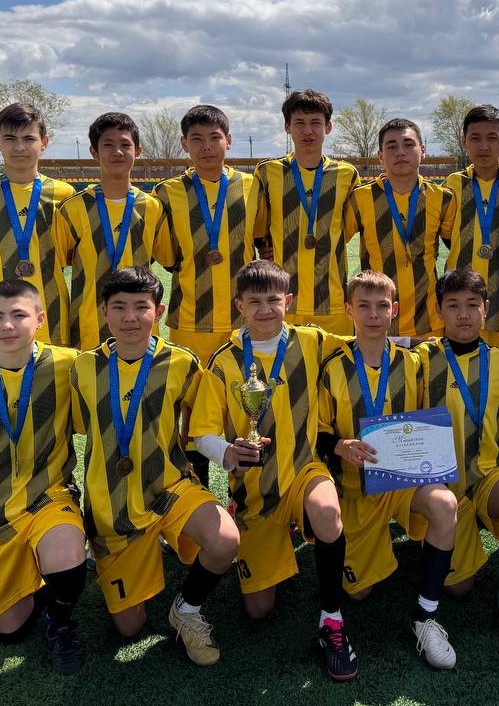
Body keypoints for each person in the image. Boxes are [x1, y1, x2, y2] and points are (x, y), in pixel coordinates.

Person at [189, 260, 359, 682]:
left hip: (304, 471)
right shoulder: (224, 361)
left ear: (289, 301)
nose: (265, 310)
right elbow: (201, 433)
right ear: (239, 306)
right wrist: (228, 451)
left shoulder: (312, 340)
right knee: (258, 610)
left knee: (328, 514)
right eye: (254, 302)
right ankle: (254, 525)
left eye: (273, 300)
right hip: (255, 490)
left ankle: (332, 621)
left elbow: (367, 340)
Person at [70, 267, 240, 665]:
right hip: (112, 506)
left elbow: (202, 424)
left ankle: (187, 609)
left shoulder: (182, 362)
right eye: (119, 307)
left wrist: (233, 450)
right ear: (104, 312)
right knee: (129, 627)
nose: (130, 317)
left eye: (141, 307)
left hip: (169, 488)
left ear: (159, 311)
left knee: (225, 540)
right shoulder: (80, 367)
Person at [317, 270, 461, 669]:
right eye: (363, 306)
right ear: (349, 310)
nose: (373, 315)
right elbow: (318, 432)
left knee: (445, 505)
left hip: (403, 482)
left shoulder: (413, 363)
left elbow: (428, 419)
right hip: (356, 489)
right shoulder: (333, 366)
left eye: (382, 306)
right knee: (359, 593)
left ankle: (426, 616)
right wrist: (340, 446)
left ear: (394, 310)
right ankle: (378, 550)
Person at [0, 281, 88, 672]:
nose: (8, 325)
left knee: (68, 556)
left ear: (39, 319)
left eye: (19, 315)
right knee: (9, 632)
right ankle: (39, 579)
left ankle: (60, 624)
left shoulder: (69, 363)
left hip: (49, 495)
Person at [415, 270, 499, 638]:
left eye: (473, 305)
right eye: (453, 306)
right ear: (439, 311)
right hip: (440, 481)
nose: (463, 314)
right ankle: (440, 529)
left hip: (489, 472)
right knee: (459, 588)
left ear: (486, 308)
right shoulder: (421, 359)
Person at [153, 103, 268, 487]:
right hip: (191, 322)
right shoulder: (168, 192)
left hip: (243, 322)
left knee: (247, 409)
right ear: (184, 144)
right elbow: (168, 257)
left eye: (214, 138)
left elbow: (262, 241)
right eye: (197, 139)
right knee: (190, 415)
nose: (206, 146)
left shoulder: (251, 186)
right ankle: (194, 496)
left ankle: (247, 502)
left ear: (228, 141)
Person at [0, 102, 75, 351]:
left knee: (51, 373)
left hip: (50, 309)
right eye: (10, 138)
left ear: (44, 142)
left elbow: (70, 257)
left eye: (29, 138)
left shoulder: (64, 195)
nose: (19, 147)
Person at [55, 112, 170, 350]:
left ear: (138, 151)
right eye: (108, 145)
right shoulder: (73, 208)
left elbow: (165, 257)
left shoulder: (153, 207)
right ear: (94, 152)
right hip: (88, 325)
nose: (117, 151)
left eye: (125, 145)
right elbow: (59, 262)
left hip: (140, 325)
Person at [256, 90, 360, 336]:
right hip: (283, 301)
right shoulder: (268, 172)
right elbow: (259, 226)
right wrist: (266, 247)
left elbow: (346, 230)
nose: (308, 131)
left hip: (333, 302)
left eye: (315, 123)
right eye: (299, 123)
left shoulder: (347, 174)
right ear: (287, 127)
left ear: (328, 126)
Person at [345, 118, 455, 344]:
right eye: (392, 146)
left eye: (408, 144)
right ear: (380, 156)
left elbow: (457, 248)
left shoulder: (443, 198)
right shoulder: (361, 198)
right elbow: (334, 244)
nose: (400, 152)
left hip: (428, 319)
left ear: (422, 150)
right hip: (375, 319)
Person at [442, 105, 499, 349]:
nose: (484, 146)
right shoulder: (453, 182)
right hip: (461, 295)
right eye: (475, 138)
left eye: (492, 138)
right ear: (464, 141)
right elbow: (448, 235)